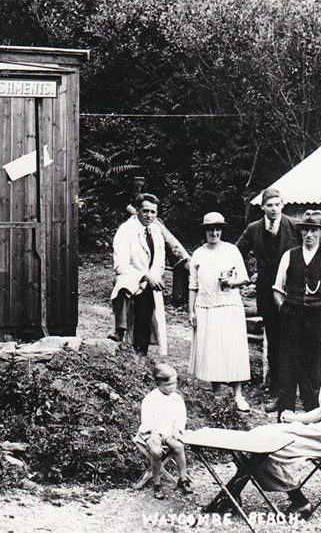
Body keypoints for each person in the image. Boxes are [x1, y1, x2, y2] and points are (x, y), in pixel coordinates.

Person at [208, 329, 321, 516]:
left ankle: (295, 501)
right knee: (260, 438)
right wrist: (298, 420)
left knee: (270, 443)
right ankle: (233, 497)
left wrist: (296, 419)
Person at [237, 188, 304, 412]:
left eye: (277, 204)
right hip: (267, 295)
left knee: (293, 341)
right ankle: (276, 390)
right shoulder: (254, 229)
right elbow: (237, 253)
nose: (274, 209)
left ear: (282, 204)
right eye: (270, 205)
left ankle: (296, 391)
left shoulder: (295, 226)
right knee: (274, 342)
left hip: (292, 294)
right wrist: (243, 277)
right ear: (263, 207)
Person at [273, 210, 321, 413]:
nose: (309, 234)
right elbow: (277, 290)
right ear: (301, 232)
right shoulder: (289, 255)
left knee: (314, 374)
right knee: (287, 371)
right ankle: (285, 419)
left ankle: (312, 420)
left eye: (314, 230)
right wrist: (285, 309)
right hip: (292, 322)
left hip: (318, 322)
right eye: (306, 230)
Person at [188, 212, 252, 411]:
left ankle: (238, 395)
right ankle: (217, 393)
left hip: (229, 305)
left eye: (218, 229)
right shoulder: (198, 254)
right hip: (206, 307)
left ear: (222, 230)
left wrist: (231, 282)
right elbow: (193, 286)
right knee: (213, 350)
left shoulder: (231, 250)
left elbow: (245, 278)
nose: (214, 233)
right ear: (205, 231)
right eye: (210, 229)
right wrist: (191, 311)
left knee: (233, 348)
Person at [111, 193, 188, 355]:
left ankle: (142, 356)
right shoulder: (125, 230)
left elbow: (160, 261)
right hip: (132, 279)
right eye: (145, 211)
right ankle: (120, 331)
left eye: (153, 212)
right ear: (137, 210)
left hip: (150, 283)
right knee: (131, 318)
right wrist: (144, 277)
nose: (149, 215)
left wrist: (153, 278)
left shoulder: (156, 230)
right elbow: (120, 265)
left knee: (145, 322)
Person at [138, 363, 192, 500]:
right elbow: (147, 420)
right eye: (168, 385)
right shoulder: (150, 399)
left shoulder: (176, 399)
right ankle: (157, 483)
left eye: (175, 383)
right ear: (158, 384)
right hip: (152, 430)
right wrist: (154, 433)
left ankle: (183, 478)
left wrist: (177, 430)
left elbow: (181, 418)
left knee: (178, 446)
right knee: (156, 451)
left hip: (169, 430)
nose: (172, 387)